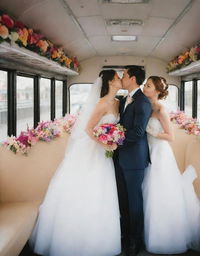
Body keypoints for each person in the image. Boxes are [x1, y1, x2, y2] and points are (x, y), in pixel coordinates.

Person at [30, 70, 122, 256]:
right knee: (88, 189)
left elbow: (114, 126)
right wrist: (106, 142)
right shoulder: (101, 103)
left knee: (103, 191)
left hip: (106, 153)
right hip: (94, 150)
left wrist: (114, 138)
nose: (121, 79)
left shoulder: (118, 102)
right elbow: (89, 129)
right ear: (111, 82)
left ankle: (100, 238)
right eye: (118, 77)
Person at [142, 76, 200, 254]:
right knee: (149, 191)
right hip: (148, 150)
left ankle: (166, 238)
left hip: (160, 151)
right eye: (145, 84)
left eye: (149, 86)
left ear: (158, 91)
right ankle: (150, 235)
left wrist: (152, 131)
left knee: (160, 191)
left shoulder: (161, 109)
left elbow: (171, 137)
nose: (145, 87)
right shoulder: (146, 106)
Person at [113, 66, 152, 256]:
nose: (122, 77)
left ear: (134, 78)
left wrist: (115, 141)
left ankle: (135, 242)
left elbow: (137, 133)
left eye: (125, 75)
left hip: (134, 159)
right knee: (123, 200)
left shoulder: (143, 102)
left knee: (134, 201)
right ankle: (125, 235)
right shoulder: (123, 99)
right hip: (119, 158)